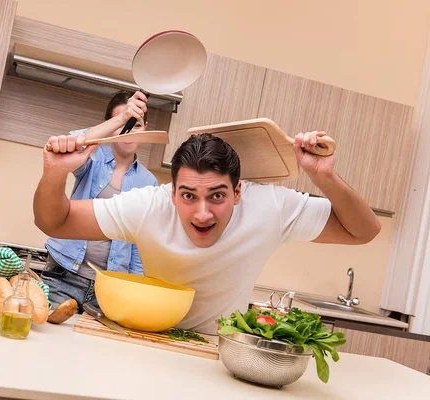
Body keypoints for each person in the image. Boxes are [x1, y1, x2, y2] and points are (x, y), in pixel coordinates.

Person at [34, 127, 381, 334]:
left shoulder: (270, 206)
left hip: (219, 350)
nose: (202, 213)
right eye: (188, 196)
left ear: (238, 192)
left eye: (217, 195)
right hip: (147, 336)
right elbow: (56, 222)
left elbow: (363, 231)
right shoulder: (150, 205)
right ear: (172, 193)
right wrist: (54, 172)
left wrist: (324, 176)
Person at [42, 90, 159, 324]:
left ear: (145, 128)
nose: (127, 132)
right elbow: (71, 142)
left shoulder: (150, 183)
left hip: (108, 292)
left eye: (134, 125)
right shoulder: (92, 158)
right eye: (122, 125)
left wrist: (134, 292)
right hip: (63, 276)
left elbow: (139, 246)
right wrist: (123, 117)